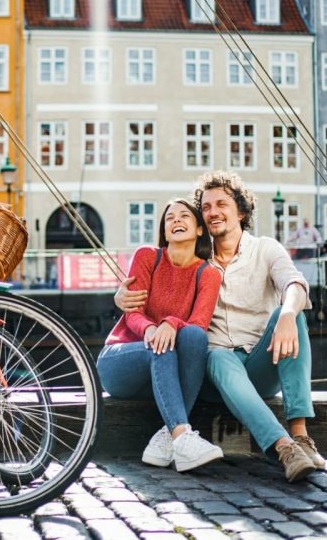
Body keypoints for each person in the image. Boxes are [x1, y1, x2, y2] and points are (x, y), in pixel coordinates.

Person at [117, 171, 324, 483]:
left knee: (292, 314)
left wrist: (287, 313)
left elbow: (295, 283)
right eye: (207, 207)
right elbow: (158, 288)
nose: (213, 211)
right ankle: (284, 448)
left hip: (260, 361)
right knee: (219, 357)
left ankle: (301, 436)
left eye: (221, 204)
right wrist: (120, 295)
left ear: (240, 211)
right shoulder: (196, 261)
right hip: (215, 372)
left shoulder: (265, 249)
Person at [97, 198, 224, 472]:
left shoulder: (208, 273)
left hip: (163, 371)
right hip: (121, 362)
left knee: (195, 337)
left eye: (184, 216)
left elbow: (198, 324)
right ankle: (182, 436)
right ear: (165, 232)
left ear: (200, 229)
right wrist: (153, 328)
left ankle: (167, 440)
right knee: (161, 344)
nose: (176, 220)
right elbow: (132, 313)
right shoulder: (147, 257)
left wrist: (170, 323)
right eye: (170, 218)